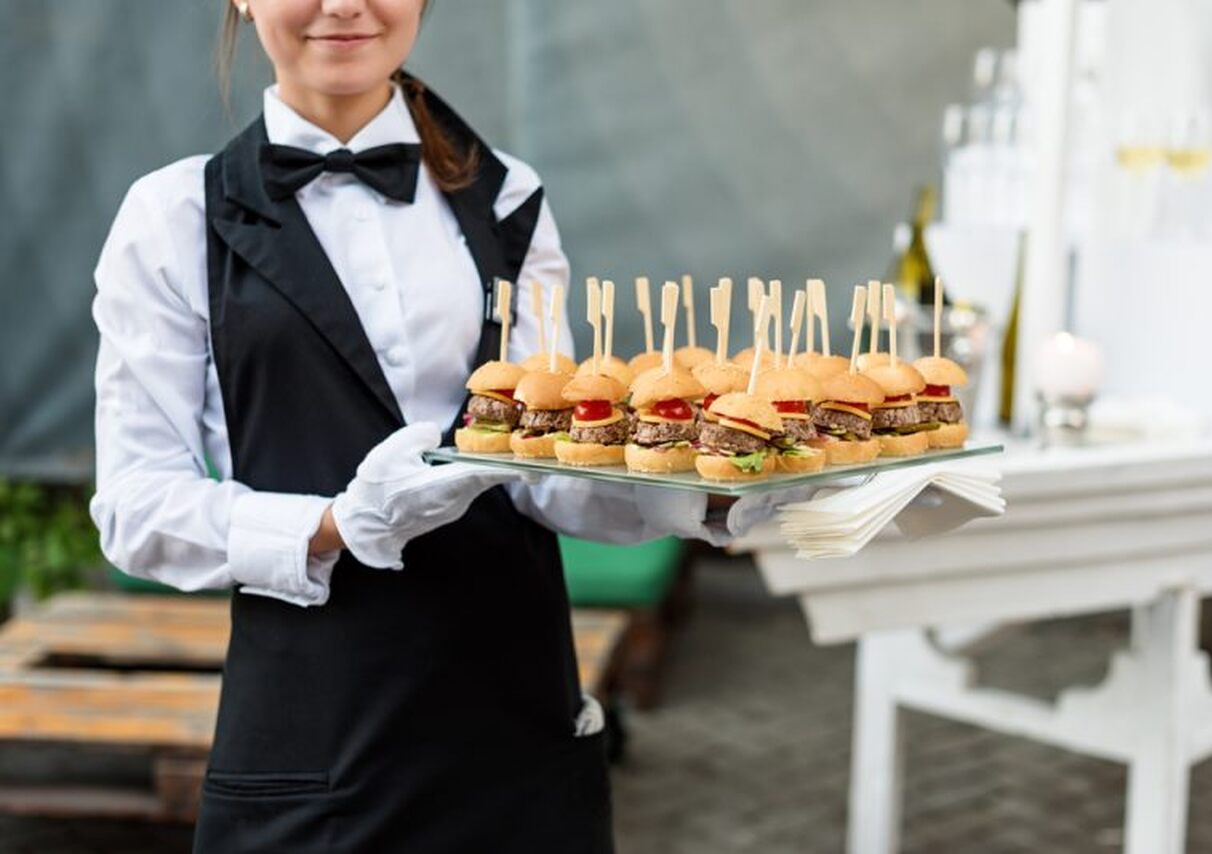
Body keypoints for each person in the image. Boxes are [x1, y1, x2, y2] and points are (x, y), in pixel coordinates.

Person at [90, 1, 788, 851]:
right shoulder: (172, 216)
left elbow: (545, 470)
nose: (342, 5)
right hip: (314, 748)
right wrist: (335, 524)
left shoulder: (509, 198)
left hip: (515, 736)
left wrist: (709, 502)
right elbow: (134, 508)